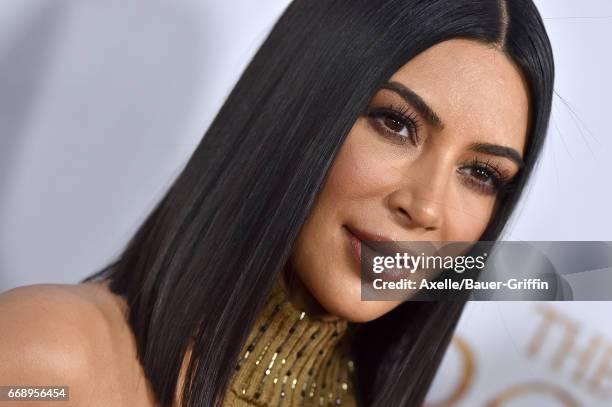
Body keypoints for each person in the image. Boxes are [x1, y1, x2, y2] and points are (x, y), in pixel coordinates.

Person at [0, 0, 554, 406]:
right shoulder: (49, 361)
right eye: (395, 124)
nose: (427, 207)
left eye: (481, 173)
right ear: (298, 111)